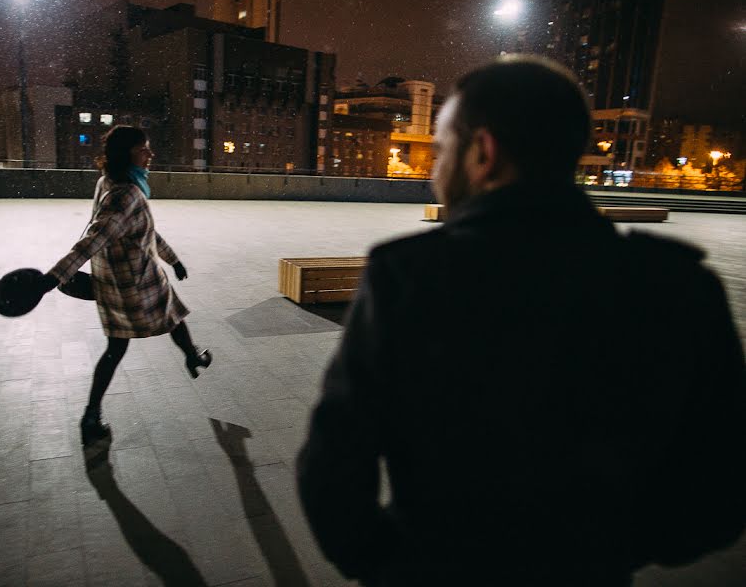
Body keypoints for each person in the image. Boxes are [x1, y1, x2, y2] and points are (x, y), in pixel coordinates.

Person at [296, 56, 746, 586]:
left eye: (442, 150)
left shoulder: (410, 277)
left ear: (483, 154)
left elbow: (332, 467)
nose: (435, 169)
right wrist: (610, 551)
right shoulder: (679, 286)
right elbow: (722, 485)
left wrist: (390, 564)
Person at [41, 125, 211, 446]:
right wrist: (51, 279)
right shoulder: (126, 195)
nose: (151, 154)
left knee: (133, 338)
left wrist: (173, 259)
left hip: (116, 279)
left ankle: (93, 413)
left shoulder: (110, 182)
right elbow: (94, 238)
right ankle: (191, 357)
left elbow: (141, 232)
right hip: (136, 281)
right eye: (144, 149)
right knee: (168, 317)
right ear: (128, 154)